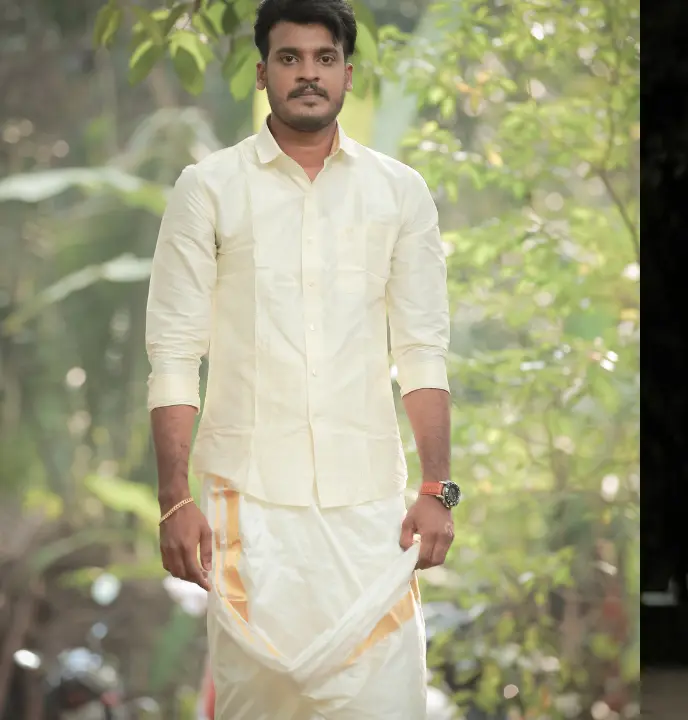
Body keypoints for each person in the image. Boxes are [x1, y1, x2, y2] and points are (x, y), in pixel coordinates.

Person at [144, 0, 460, 717]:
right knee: (265, 703)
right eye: (290, 59)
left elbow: (422, 350)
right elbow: (172, 353)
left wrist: (438, 488)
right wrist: (174, 500)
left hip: (370, 508)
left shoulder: (399, 192)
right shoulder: (209, 189)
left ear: (348, 73)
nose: (308, 74)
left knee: (385, 703)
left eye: (324, 59)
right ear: (263, 73)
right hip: (247, 508)